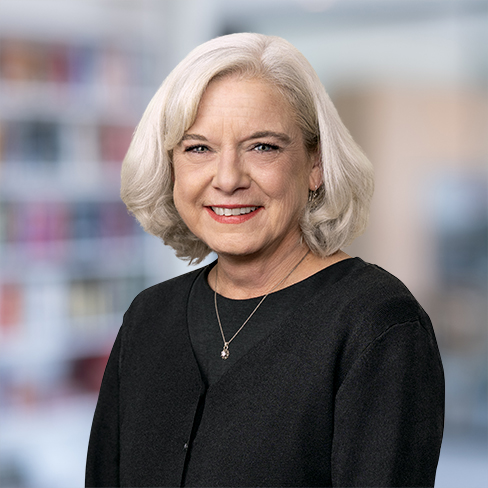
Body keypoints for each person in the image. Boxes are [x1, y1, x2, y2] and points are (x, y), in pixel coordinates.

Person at [85, 33, 444, 487]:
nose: (229, 178)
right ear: (170, 165)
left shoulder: (377, 323)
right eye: (199, 148)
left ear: (316, 164)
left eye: (263, 147)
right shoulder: (148, 317)